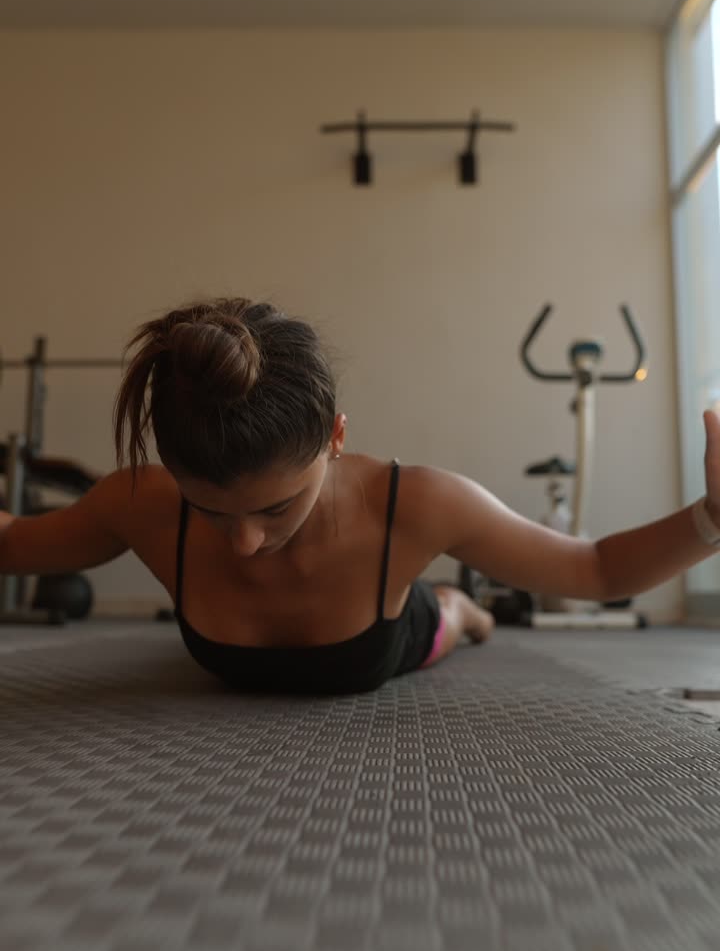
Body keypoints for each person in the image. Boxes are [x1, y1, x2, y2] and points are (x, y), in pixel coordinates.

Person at [1, 297, 720, 695]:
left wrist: (713, 518)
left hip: (397, 637)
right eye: (210, 510)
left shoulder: (413, 504)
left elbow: (595, 570)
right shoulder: (140, 503)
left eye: (275, 508)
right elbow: (10, 544)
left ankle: (459, 608)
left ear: (336, 436)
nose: (244, 542)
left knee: (447, 614)